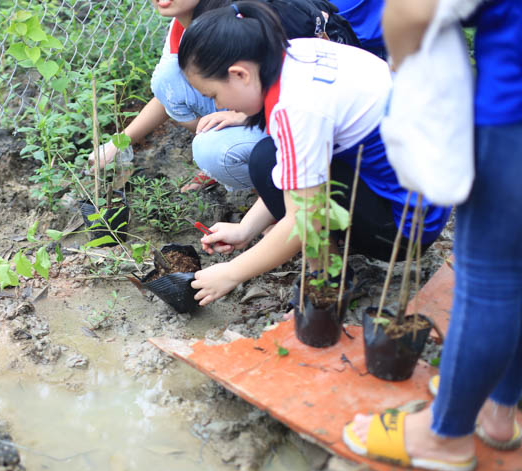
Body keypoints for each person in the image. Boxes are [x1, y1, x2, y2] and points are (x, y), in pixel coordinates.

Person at [343, 0, 522, 471]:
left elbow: (414, 9)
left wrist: (404, 67)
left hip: (514, 112)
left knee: (493, 283)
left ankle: (445, 435)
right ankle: (499, 407)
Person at [176, 1, 449, 306]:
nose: (221, 106)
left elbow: (303, 219)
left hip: (406, 227)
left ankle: (330, 284)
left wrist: (231, 273)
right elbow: (304, 169)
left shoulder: (296, 109)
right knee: (269, 157)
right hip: (426, 192)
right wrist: (246, 229)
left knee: (268, 160)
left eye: (215, 95)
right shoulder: (296, 54)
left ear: (240, 74)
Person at [89, 0, 362, 193]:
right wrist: (117, 143)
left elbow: (306, 90)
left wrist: (243, 115)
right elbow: (166, 94)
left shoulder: (241, 20)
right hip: (269, 106)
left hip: (314, 116)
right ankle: (263, 173)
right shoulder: (183, 25)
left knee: (214, 150)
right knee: (168, 77)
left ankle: (282, 192)